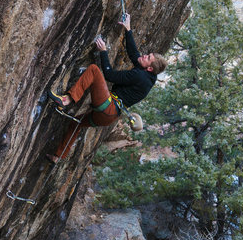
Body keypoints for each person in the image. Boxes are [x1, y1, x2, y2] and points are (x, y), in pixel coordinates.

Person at [47, 13, 167, 162]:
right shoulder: (150, 76)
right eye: (148, 55)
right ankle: (58, 156)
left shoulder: (140, 76)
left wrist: (103, 51)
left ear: (149, 68)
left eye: (148, 58)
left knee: (93, 70)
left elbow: (109, 75)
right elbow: (134, 54)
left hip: (108, 106)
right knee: (75, 123)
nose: (144, 56)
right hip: (108, 117)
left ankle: (66, 100)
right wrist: (128, 29)